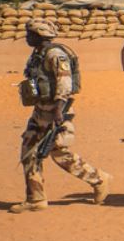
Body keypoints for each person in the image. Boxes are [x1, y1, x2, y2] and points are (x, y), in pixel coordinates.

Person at [10, 19, 111, 213]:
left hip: (56, 112)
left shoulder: (56, 54)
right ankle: (35, 199)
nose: (27, 37)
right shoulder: (38, 54)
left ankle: (98, 179)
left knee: (59, 153)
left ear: (39, 35)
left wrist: (58, 109)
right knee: (29, 151)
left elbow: (65, 82)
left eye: (30, 34)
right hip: (41, 110)